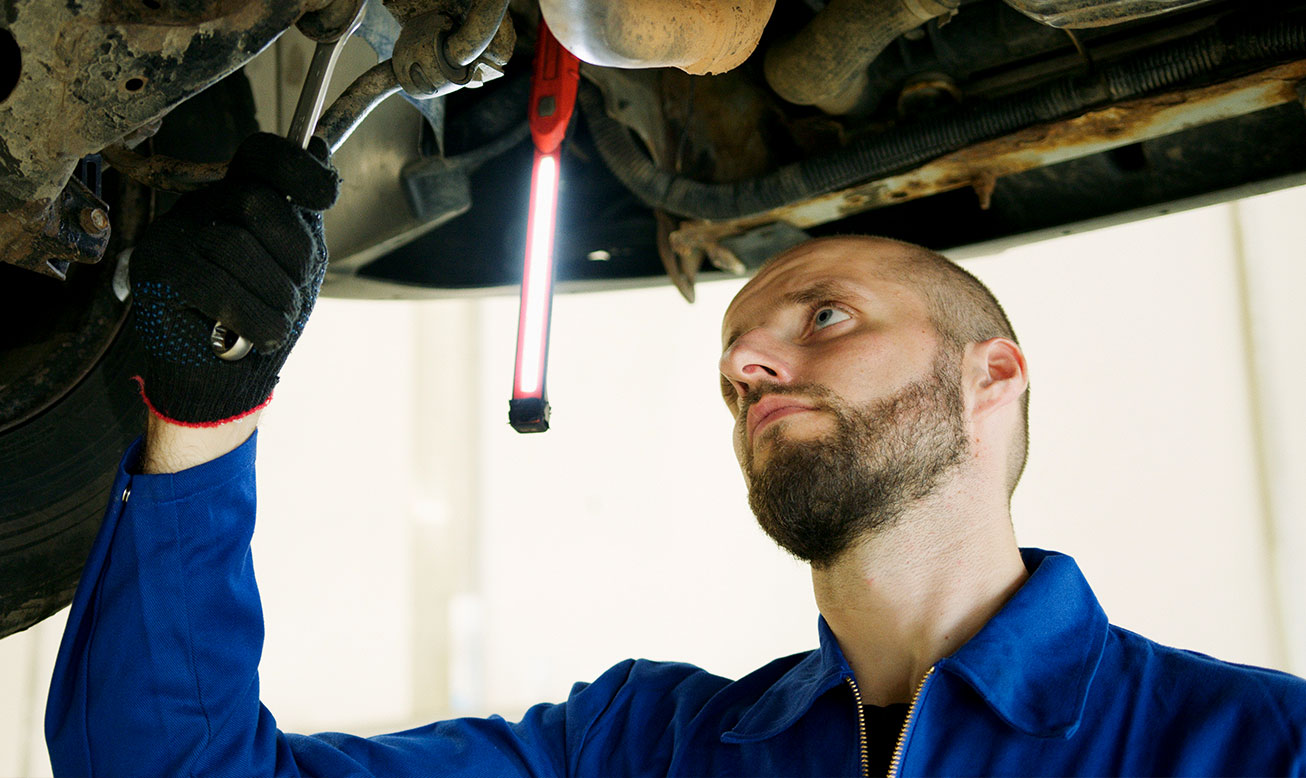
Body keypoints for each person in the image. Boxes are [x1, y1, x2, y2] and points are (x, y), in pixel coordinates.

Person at [45, 134, 1306, 777]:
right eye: (736, 357)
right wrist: (202, 425)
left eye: (823, 318)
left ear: (995, 378)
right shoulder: (645, 745)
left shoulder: (1252, 744)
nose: (751, 362)